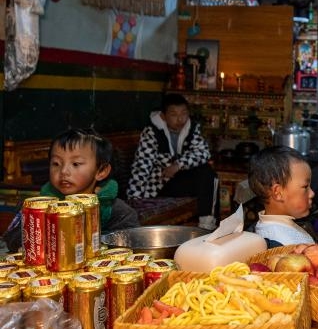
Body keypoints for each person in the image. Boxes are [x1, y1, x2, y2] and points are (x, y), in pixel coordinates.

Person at [3, 128, 139, 252]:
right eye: (56, 163)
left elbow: (130, 242)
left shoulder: (115, 210)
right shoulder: (35, 207)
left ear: (101, 171)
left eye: (75, 164)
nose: (64, 171)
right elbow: (12, 237)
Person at [127, 92, 218, 230]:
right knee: (205, 175)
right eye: (174, 114)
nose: (180, 119)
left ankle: (207, 224)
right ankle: (205, 225)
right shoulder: (152, 132)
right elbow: (142, 166)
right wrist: (134, 199)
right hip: (161, 184)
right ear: (164, 116)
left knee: (207, 173)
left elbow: (203, 153)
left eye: (183, 113)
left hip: (181, 180)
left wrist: (178, 165)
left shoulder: (192, 129)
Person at [244, 145, 314, 248]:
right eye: (305, 187)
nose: (312, 193)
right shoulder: (281, 245)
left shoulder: (280, 226)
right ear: (278, 193)